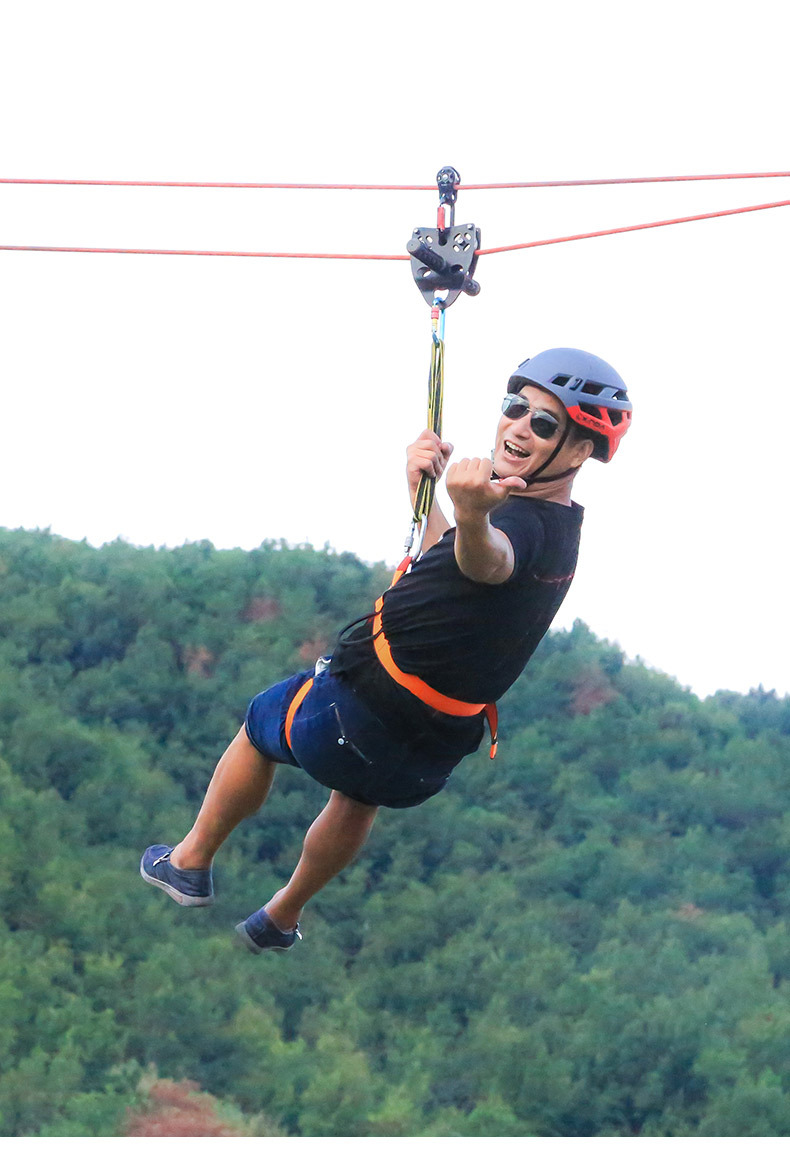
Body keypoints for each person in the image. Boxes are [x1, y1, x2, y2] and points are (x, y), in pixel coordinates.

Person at [141, 347, 632, 953]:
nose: (518, 427)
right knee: (359, 793)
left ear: (581, 451)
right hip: (427, 755)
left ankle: (189, 862)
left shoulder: (518, 528)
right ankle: (282, 916)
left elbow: (487, 562)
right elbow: (455, 563)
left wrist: (473, 515)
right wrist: (426, 494)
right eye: (515, 407)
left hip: (357, 711)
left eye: (545, 424)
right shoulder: (557, 529)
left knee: (263, 721)